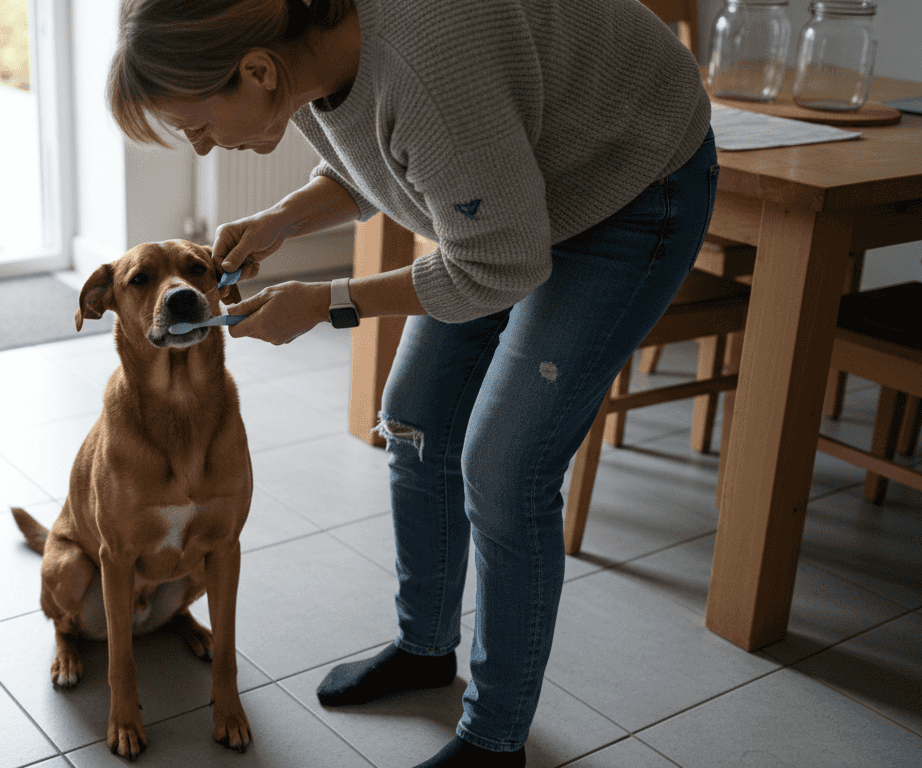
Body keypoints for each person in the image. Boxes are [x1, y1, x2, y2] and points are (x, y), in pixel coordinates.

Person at [107, 0, 716, 765]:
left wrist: (328, 302)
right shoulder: (298, 52)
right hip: (515, 193)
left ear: (255, 72)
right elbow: (378, 153)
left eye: (196, 125)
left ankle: (495, 741)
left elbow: (498, 261)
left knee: (504, 467)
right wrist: (286, 218)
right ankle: (425, 647)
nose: (201, 148)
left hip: (629, 185)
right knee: (417, 411)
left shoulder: (426, 68)